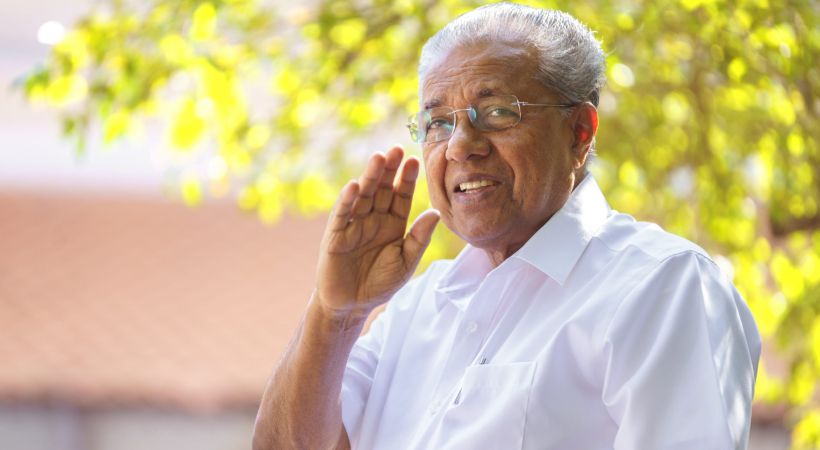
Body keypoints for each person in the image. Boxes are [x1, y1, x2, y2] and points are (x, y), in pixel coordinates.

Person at [252, 3, 761, 449]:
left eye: (496, 112)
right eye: (438, 122)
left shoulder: (663, 284)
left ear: (579, 132)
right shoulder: (415, 307)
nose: (460, 146)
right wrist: (336, 313)